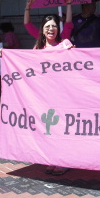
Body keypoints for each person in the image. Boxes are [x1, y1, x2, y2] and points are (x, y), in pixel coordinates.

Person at [34, 13, 74, 175]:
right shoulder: (38, 49)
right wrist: (7, 55)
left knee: (62, 128)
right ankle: (52, 159)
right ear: (42, 30)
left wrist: (74, 53)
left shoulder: (65, 44)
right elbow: (27, 66)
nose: (51, 29)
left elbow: (76, 63)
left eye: (54, 26)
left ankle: (64, 161)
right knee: (49, 130)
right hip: (45, 97)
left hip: (63, 95)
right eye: (47, 26)